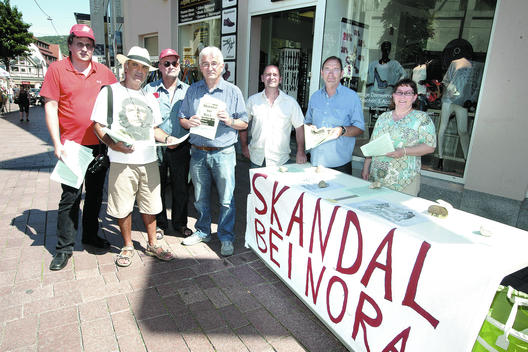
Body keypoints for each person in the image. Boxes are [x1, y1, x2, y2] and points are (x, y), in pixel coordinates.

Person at [91, 46, 180, 267]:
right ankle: (128, 245)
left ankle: (152, 244)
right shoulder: (110, 92)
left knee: (150, 205)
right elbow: (98, 126)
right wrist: (114, 145)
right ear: (126, 66)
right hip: (122, 162)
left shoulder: (149, 97)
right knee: (123, 206)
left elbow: (155, 129)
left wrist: (168, 139)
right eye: (135, 65)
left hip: (149, 160)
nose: (139, 71)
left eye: (143, 67)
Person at [40, 24, 117, 271]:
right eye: (80, 44)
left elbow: (118, 100)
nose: (85, 49)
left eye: (89, 45)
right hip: (71, 146)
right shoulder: (56, 69)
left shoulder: (103, 71)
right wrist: (56, 143)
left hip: (99, 146)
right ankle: (64, 248)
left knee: (95, 196)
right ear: (70, 45)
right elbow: (51, 107)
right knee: (70, 198)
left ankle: (90, 236)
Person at [179, 46, 248, 256]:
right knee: (200, 197)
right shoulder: (193, 90)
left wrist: (229, 120)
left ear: (222, 66)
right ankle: (203, 231)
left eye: (214, 63)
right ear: (200, 67)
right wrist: (189, 122)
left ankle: (226, 236)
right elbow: (182, 118)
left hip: (224, 152)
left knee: (226, 198)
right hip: (198, 151)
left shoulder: (233, 91)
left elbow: (244, 123)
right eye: (206, 63)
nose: (210, 67)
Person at [144, 48, 191, 239]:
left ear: (179, 66)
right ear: (159, 67)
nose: (171, 67)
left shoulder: (189, 91)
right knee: (158, 187)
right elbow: (145, 120)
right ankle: (161, 224)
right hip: (157, 146)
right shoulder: (149, 90)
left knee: (181, 187)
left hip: (181, 145)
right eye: (167, 63)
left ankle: (180, 224)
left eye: (175, 63)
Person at [361, 79, 436, 196]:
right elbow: (373, 144)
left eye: (408, 93)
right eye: (399, 92)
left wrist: (404, 151)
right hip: (377, 177)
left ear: (415, 97)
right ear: (393, 95)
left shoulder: (422, 118)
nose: (403, 96)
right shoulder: (383, 118)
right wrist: (366, 167)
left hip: (405, 180)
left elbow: (430, 147)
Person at [305, 56, 364, 174]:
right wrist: (310, 127)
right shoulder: (315, 97)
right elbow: (308, 121)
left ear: (342, 73)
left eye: (336, 69)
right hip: (315, 162)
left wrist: (342, 130)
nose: (331, 73)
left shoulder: (352, 97)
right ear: (322, 73)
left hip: (340, 165)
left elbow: (360, 128)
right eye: (327, 69)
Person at [240, 64, 306, 167]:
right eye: (268, 74)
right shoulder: (252, 101)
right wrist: (244, 147)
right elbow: (243, 124)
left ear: (280, 79)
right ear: (262, 78)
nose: (271, 77)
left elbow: (299, 128)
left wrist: (300, 151)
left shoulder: (291, 103)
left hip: (281, 161)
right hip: (257, 159)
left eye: (275, 75)